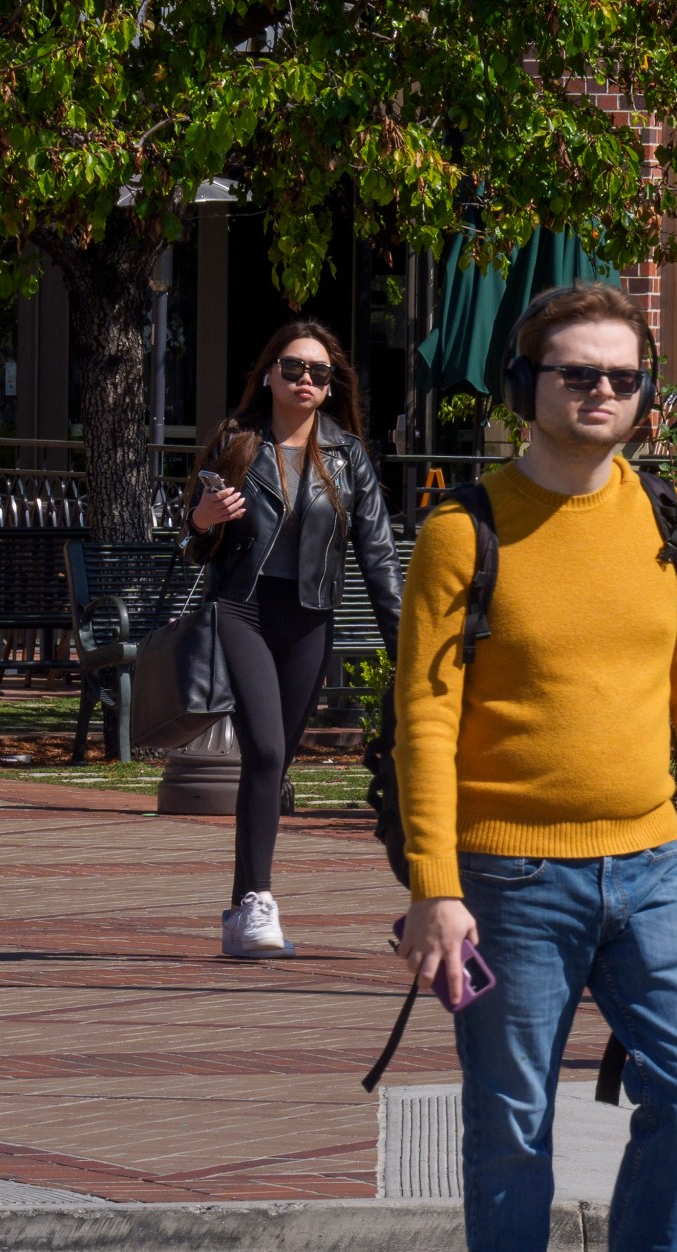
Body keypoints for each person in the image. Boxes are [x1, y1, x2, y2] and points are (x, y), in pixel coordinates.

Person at [393, 283, 677, 1252]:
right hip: (508, 880)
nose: (601, 393)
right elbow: (425, 716)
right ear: (526, 390)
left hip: (652, 863)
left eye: (620, 377)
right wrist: (435, 890)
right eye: (576, 374)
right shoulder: (468, 527)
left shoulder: (669, 520)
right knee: (511, 1130)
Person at [184, 320, 403, 958]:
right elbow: (197, 544)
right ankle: (257, 903)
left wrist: (406, 647)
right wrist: (200, 521)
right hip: (242, 608)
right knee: (268, 750)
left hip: (310, 618)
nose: (306, 379)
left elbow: (379, 558)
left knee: (272, 765)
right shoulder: (235, 441)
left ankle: (240, 909)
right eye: (294, 367)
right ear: (270, 374)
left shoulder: (347, 456)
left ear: (332, 387)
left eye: (319, 372)